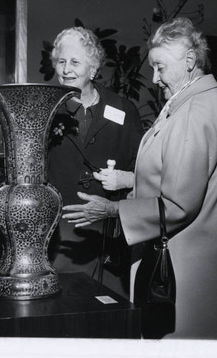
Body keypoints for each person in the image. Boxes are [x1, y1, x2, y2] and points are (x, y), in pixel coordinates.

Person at [62, 17, 217, 340]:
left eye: (160, 67)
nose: (153, 78)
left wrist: (113, 210)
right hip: (185, 266)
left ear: (189, 61)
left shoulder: (196, 109)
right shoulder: (195, 101)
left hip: (183, 275)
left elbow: (178, 204)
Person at [47, 26, 143, 296]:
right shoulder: (45, 108)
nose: (66, 69)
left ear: (93, 68)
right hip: (61, 236)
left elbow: (141, 167)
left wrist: (120, 194)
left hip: (108, 235)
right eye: (61, 61)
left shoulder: (124, 109)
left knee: (112, 314)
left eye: (75, 62)